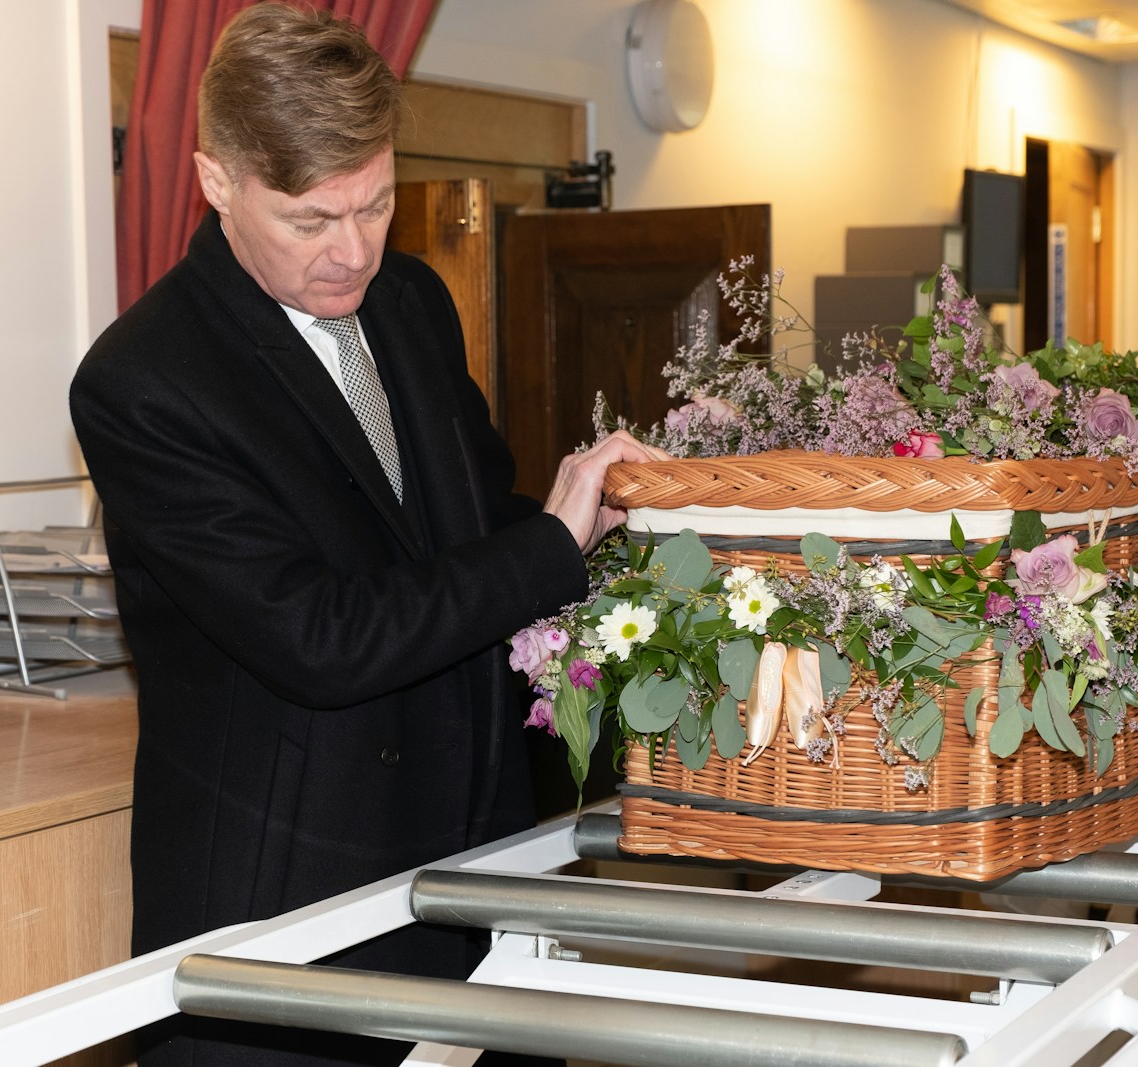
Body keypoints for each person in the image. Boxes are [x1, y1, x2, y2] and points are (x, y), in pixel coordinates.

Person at [68, 5, 663, 1064]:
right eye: (310, 220)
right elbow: (320, 637)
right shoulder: (143, 380)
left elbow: (471, 532)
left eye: (376, 203)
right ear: (215, 182)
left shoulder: (412, 300)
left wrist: (614, 516)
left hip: (476, 872)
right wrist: (548, 545)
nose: (353, 252)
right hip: (294, 913)